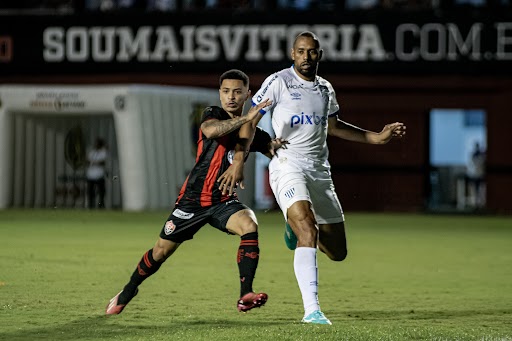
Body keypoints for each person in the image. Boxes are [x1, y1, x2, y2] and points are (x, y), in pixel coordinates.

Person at [220, 31, 406, 325]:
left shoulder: (325, 89)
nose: (307, 57)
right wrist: (240, 159)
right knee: (309, 229)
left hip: (320, 172)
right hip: (287, 166)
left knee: (338, 252)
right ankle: (313, 311)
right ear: (293, 54)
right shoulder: (279, 81)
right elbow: (251, 118)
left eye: (312, 52)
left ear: (319, 54)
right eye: (301, 51)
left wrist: (376, 137)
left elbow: (332, 126)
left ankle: (291, 228)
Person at [105, 69, 287, 316]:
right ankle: (127, 291)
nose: (230, 97)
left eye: (237, 92)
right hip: (192, 201)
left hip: (223, 201)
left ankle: (245, 294)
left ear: (248, 94)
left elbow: (275, 153)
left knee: (249, 224)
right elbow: (212, 131)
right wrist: (247, 119)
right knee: (160, 252)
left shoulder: (253, 133)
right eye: (225, 91)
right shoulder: (214, 114)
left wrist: (283, 149)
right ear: (219, 94)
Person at [86, 137, 108, 209]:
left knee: (101, 192)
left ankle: (101, 205)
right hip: (90, 175)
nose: (96, 145)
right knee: (90, 192)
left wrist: (93, 162)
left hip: (99, 175)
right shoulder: (92, 152)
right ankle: (91, 205)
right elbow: (88, 161)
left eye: (97, 143)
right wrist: (95, 162)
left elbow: (102, 162)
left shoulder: (103, 152)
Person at [466, 141, 486, 209]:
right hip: (475, 175)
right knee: (474, 190)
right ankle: (475, 204)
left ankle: (480, 204)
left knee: (481, 190)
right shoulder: (473, 154)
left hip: (480, 175)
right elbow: (472, 165)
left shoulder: (481, 154)